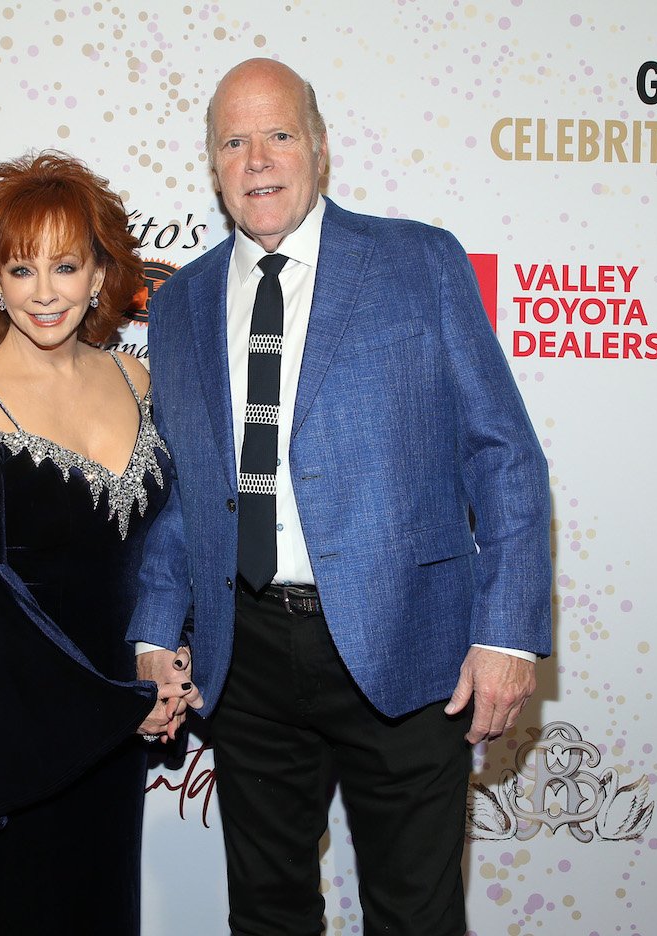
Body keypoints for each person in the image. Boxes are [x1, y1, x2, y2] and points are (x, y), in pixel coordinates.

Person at [128, 59, 552, 935]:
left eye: (279, 133)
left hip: (408, 650)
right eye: (233, 141)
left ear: (318, 146)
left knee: (416, 914)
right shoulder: (181, 304)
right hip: (242, 660)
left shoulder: (418, 261)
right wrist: (151, 630)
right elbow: (181, 497)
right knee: (269, 915)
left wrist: (507, 632)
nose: (258, 159)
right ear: (213, 164)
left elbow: (502, 454)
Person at [0, 150, 200, 935]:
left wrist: (170, 659)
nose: (45, 293)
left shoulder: (140, 382)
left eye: (66, 266)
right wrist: (116, 705)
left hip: (124, 727)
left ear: (101, 273)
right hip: (35, 734)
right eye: (20, 268)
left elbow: (172, 543)